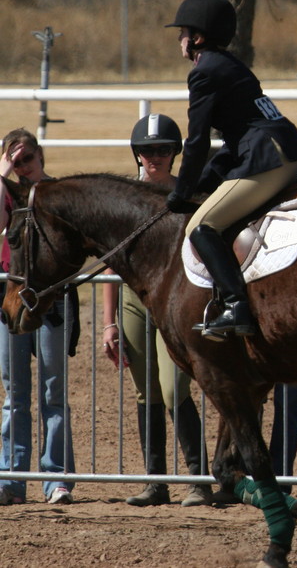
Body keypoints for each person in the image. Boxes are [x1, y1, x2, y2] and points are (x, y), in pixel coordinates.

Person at [163, 0, 297, 339]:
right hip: (291, 155)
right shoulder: (230, 64)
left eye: (182, 32)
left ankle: (236, 305)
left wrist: (182, 191)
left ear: (197, 38)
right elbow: (234, 138)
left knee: (201, 227)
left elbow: (198, 140)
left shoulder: (203, 72)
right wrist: (206, 181)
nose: (179, 39)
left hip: (268, 161)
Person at [101, 115, 213, 507]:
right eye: (148, 150)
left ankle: (199, 479)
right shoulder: (125, 199)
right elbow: (113, 264)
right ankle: (156, 480)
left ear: (175, 153)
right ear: (137, 153)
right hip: (133, 297)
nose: (155, 157)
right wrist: (108, 322)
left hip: (172, 300)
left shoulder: (187, 195)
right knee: (145, 391)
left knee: (172, 387)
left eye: (163, 149)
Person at [0, 128, 77, 505]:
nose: (23, 167)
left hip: (52, 301)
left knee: (54, 392)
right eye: (16, 162)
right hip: (11, 299)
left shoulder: (58, 192)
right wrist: (1, 177)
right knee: (14, 393)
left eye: (27, 158)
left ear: (40, 156)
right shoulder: (6, 196)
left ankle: (55, 479)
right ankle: (12, 479)